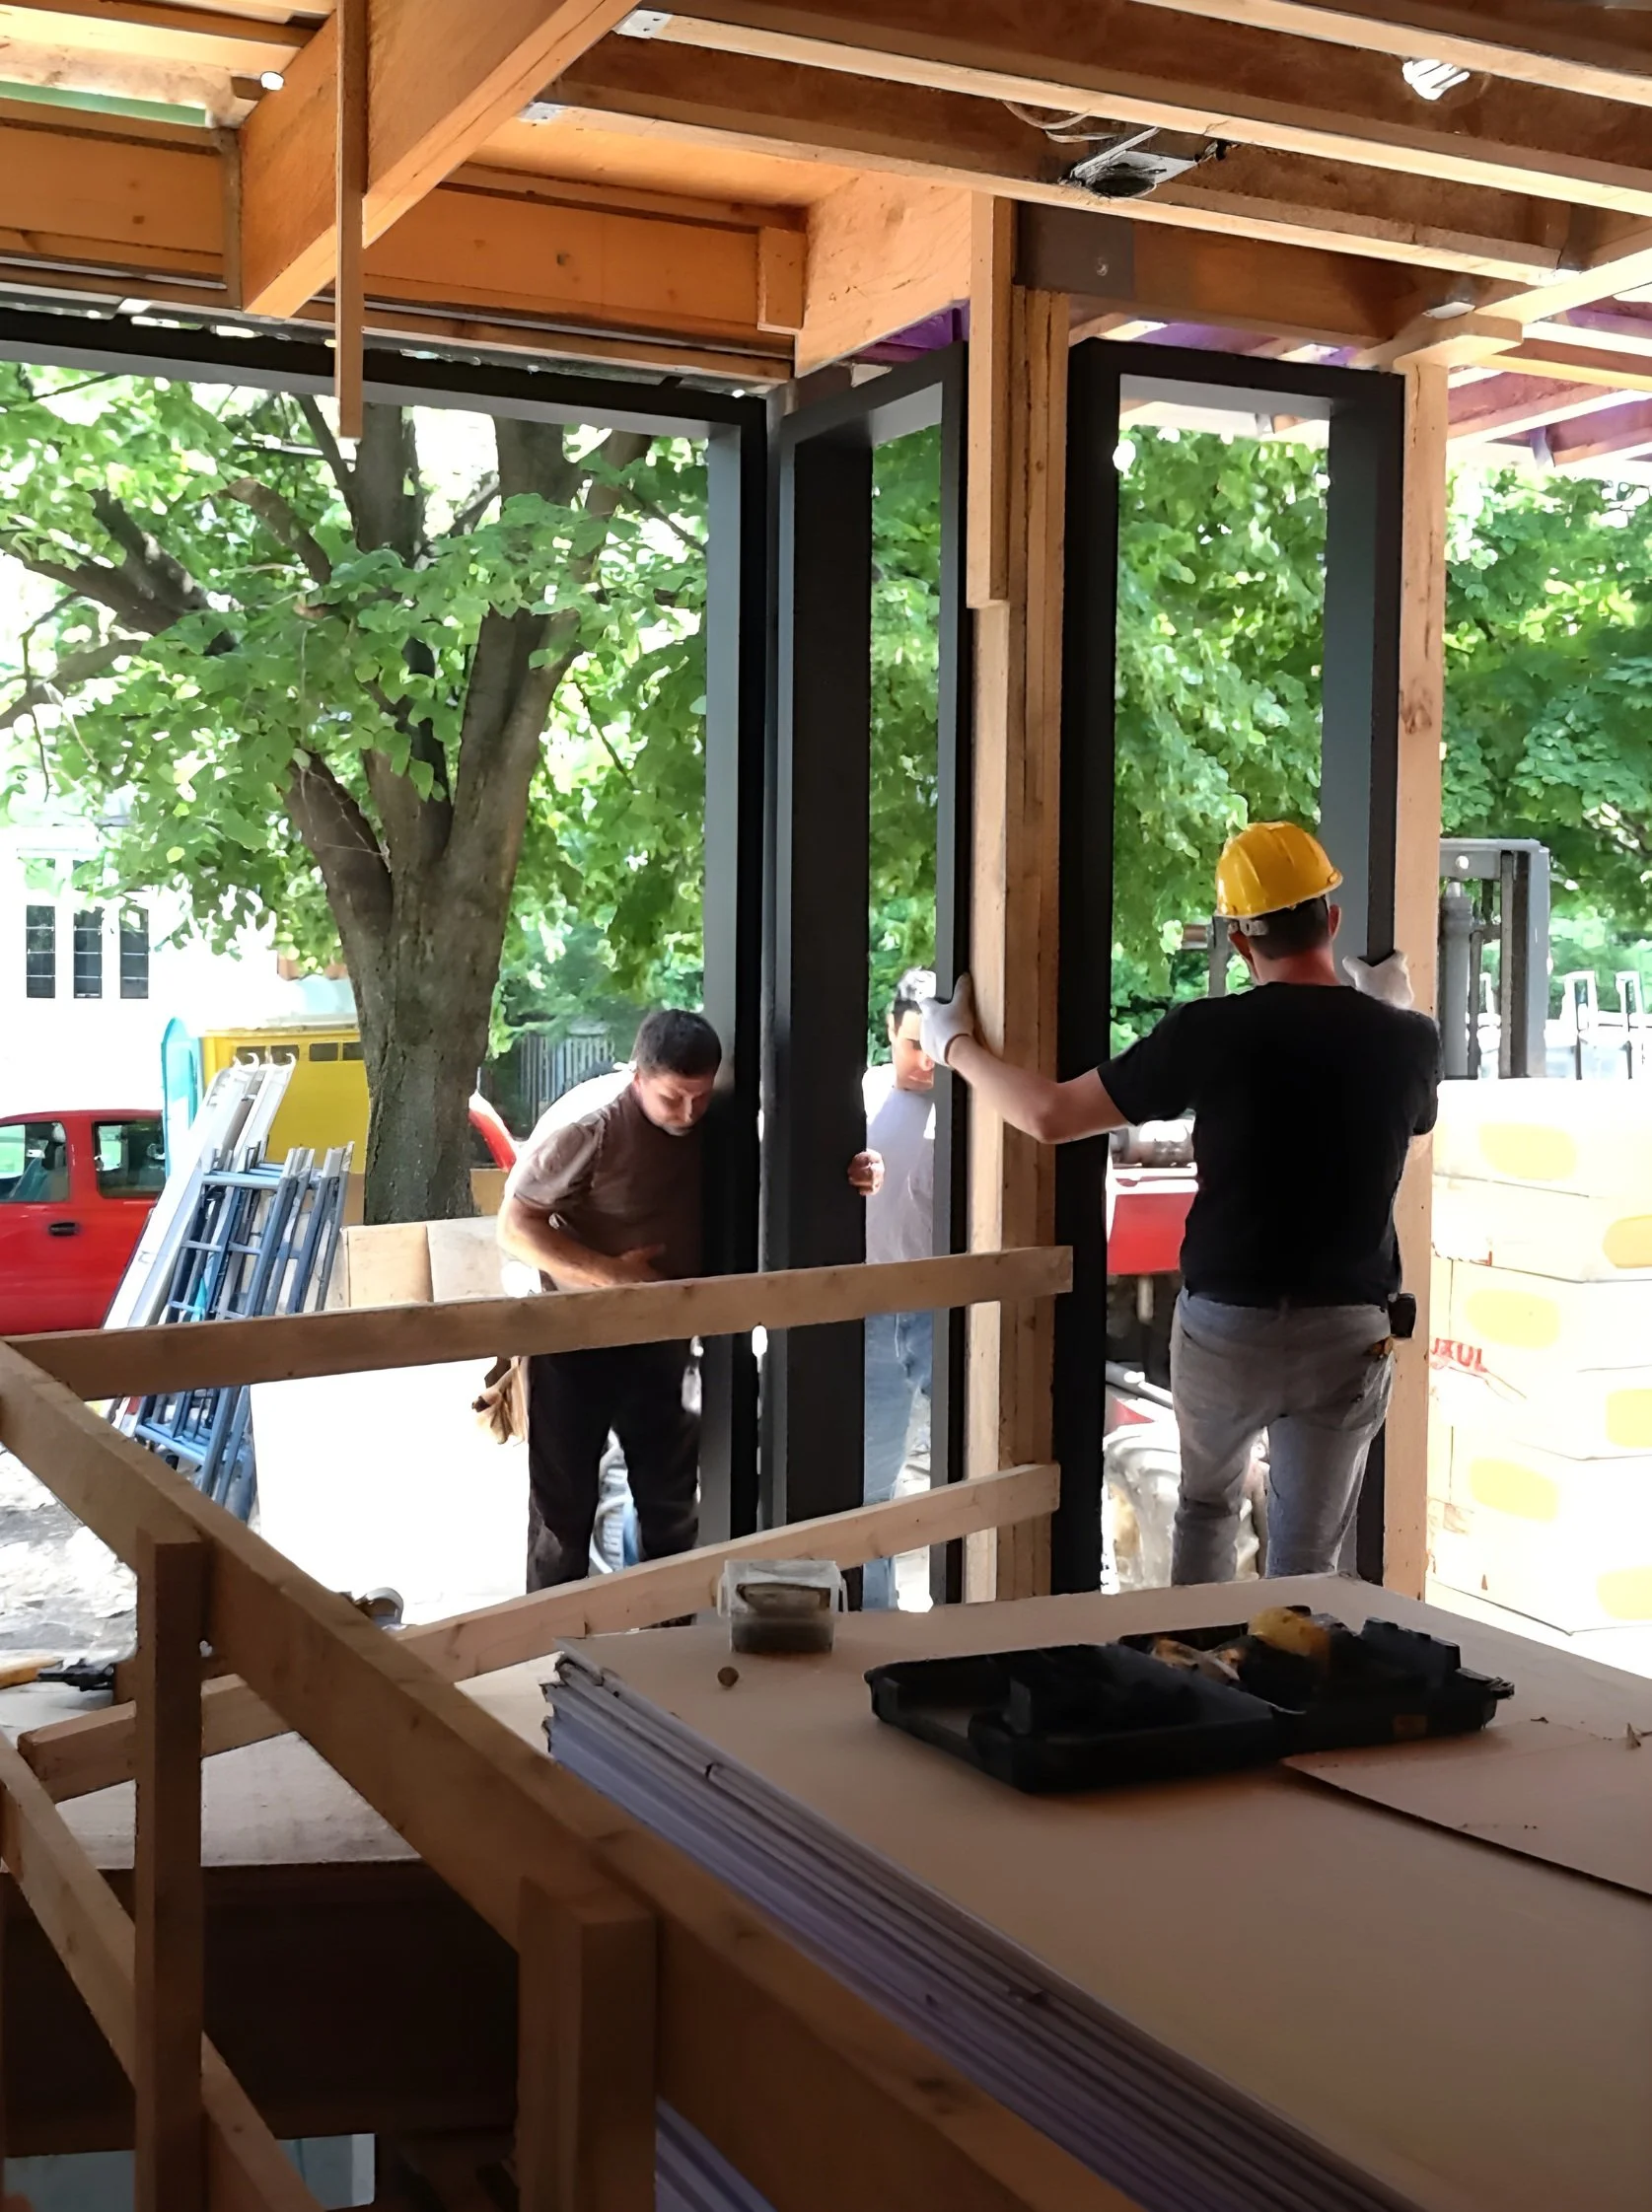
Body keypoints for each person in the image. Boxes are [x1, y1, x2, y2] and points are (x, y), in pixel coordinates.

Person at [920, 822, 1441, 1584]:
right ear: (1329, 920)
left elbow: (1050, 1117)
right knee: (1306, 1559)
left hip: (1228, 1324)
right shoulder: (1406, 1041)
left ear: (1237, 942)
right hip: (1348, 1331)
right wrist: (1388, 1011)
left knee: (1205, 1509)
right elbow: (1410, 1135)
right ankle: (1291, 1690)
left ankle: (1196, 1671)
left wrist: (953, 1046)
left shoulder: (1211, 1031)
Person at [497, 1009, 721, 1590]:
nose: (690, 1114)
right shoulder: (589, 1126)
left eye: (701, 1097)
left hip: (663, 1344)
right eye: (674, 1098)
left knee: (672, 1511)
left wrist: (852, 1168)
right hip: (575, 1341)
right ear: (638, 1078)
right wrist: (612, 1277)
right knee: (563, 1517)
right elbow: (515, 1226)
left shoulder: (717, 1123)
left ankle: (666, 1647)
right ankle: (550, 1657)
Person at [847, 968, 937, 1610]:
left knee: (980, 1477)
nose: (924, 1061)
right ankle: (875, 1626)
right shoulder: (855, 1100)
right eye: (911, 1043)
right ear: (888, 1030)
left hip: (952, 1310)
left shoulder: (982, 1107)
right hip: (871, 1312)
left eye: (935, 1044)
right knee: (868, 1490)